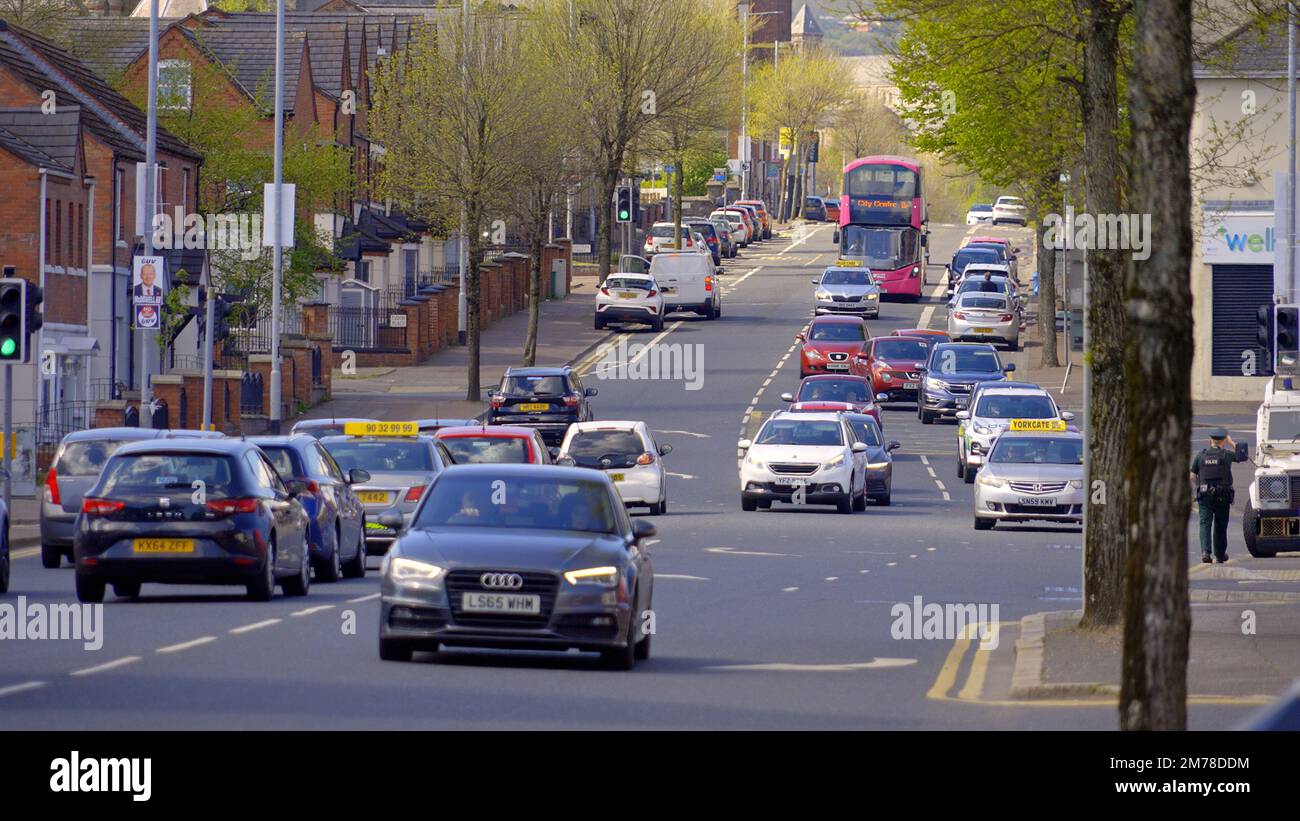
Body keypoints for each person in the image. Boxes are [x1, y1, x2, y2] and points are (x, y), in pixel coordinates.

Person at [1190, 428, 1248, 564]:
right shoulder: (1226, 455)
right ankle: (1220, 555)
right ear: (1223, 441)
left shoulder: (1200, 456)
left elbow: (1192, 476)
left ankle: (1205, 552)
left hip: (1204, 495)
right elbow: (1243, 456)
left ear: (1210, 440)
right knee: (1220, 525)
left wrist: (1201, 485)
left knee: (1205, 523)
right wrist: (1232, 443)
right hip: (1222, 495)